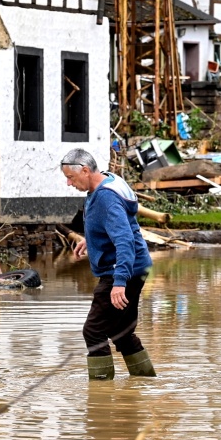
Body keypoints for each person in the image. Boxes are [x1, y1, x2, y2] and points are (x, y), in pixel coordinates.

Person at [60, 148, 156, 380]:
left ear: (85, 170)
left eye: (70, 177)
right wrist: (90, 241)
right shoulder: (105, 181)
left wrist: (119, 282)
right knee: (121, 333)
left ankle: (100, 393)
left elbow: (124, 241)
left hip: (123, 270)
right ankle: (144, 381)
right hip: (136, 266)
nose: (68, 183)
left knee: (93, 331)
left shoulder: (106, 197)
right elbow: (115, 226)